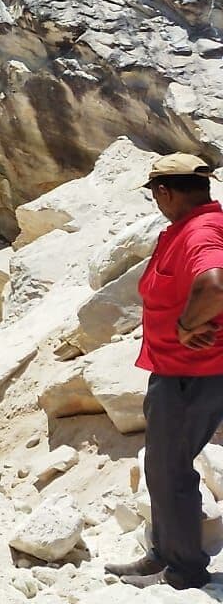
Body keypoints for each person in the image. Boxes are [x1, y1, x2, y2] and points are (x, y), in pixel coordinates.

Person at [107, 153, 223, 590]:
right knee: (162, 465)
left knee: (171, 468)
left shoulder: (202, 232)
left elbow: (215, 284)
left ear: (164, 191)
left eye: (156, 195)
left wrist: (186, 324)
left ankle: (184, 571)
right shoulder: (190, 229)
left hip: (194, 373)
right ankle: (164, 553)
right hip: (179, 370)